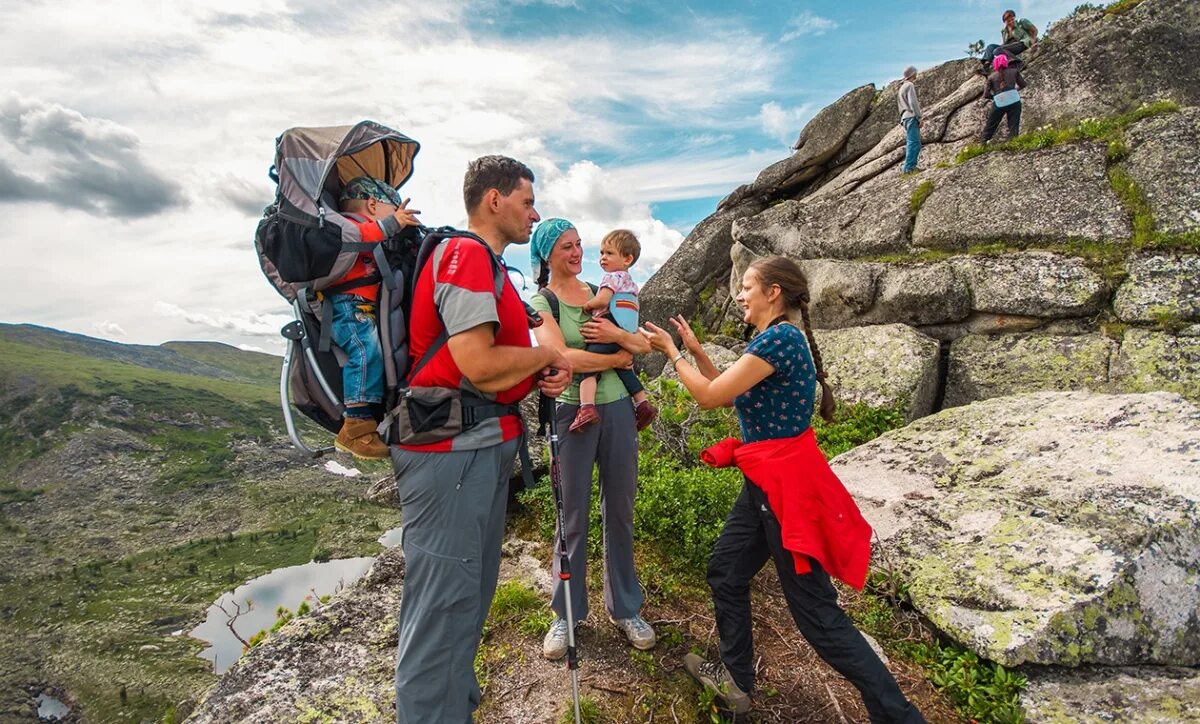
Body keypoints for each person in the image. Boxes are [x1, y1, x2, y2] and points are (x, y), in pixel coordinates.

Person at [641, 256, 925, 722]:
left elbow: (708, 398)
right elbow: (728, 392)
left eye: (747, 286)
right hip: (765, 482)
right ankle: (736, 684)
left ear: (773, 292)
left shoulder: (779, 339)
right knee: (726, 570)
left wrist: (672, 353)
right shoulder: (776, 340)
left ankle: (901, 717)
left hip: (783, 490)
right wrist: (694, 349)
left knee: (818, 619)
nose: (739, 295)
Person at [391, 156, 572, 723]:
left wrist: (539, 369)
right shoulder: (467, 255)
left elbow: (490, 364)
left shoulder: (491, 269)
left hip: (476, 444)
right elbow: (477, 361)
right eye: (526, 199)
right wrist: (547, 355)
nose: (533, 212)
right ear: (493, 200)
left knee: (465, 603)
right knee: (445, 610)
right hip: (453, 450)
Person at [528, 219, 657, 660]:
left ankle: (626, 608)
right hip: (570, 411)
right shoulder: (541, 300)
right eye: (567, 246)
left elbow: (640, 343)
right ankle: (565, 614)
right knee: (573, 516)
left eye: (580, 244)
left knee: (620, 509)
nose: (577, 252)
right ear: (548, 254)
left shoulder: (604, 289)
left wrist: (619, 340)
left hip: (618, 408)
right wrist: (619, 354)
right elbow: (558, 355)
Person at [331, 176, 420, 459]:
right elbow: (364, 237)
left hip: (360, 305)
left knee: (374, 353)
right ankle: (355, 426)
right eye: (391, 208)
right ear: (371, 204)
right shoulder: (349, 226)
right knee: (365, 352)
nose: (395, 215)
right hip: (349, 305)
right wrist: (395, 223)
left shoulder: (358, 227)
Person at [572, 228, 658, 433]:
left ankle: (586, 408)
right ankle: (643, 403)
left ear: (627, 259)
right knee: (624, 368)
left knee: (588, 370)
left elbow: (602, 300)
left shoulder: (611, 278)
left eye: (609, 253)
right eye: (601, 253)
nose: (602, 258)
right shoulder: (631, 283)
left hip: (606, 325)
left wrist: (587, 306)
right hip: (624, 329)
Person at [982, 53, 1028, 143]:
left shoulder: (991, 77)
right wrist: (1014, 90)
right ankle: (1013, 143)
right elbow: (1023, 84)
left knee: (991, 125)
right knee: (1013, 125)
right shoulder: (1014, 71)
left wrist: (996, 97)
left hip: (999, 103)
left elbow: (986, 94)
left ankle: (983, 144)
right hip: (1014, 100)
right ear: (1006, 62)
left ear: (995, 64)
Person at [898, 66, 922, 174]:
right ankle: (909, 168)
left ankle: (908, 167)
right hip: (911, 116)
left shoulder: (902, 87)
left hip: (904, 118)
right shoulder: (910, 85)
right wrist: (919, 117)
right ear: (912, 74)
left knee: (911, 143)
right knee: (915, 143)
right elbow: (913, 103)